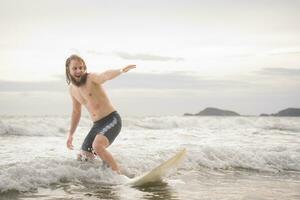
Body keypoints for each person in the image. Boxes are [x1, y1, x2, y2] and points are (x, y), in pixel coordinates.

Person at [65, 54, 136, 174]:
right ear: (68, 69)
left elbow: (105, 76)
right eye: (75, 68)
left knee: (97, 146)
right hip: (97, 125)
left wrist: (120, 71)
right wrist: (71, 134)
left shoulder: (91, 78)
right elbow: (76, 112)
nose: (79, 71)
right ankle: (101, 175)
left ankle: (118, 175)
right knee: (83, 157)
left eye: (81, 68)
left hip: (111, 120)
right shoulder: (72, 89)